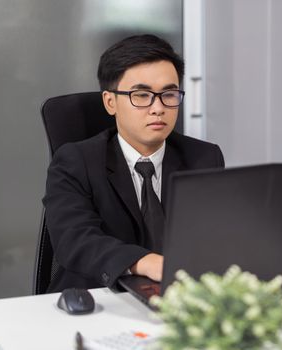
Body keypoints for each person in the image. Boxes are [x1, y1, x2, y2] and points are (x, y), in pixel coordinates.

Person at [43, 34, 224, 292]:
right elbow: (74, 240)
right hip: (97, 298)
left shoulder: (204, 158)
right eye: (141, 95)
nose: (158, 108)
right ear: (110, 102)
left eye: (168, 94)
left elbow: (217, 236)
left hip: (179, 299)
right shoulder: (75, 161)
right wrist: (144, 262)